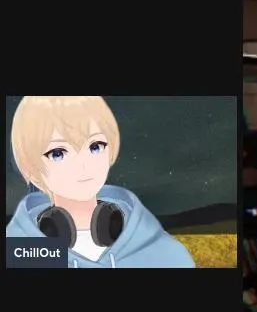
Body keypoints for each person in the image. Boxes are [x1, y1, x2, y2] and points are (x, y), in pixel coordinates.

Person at [6, 96, 196, 268]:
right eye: (58, 153)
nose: (84, 165)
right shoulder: (18, 251)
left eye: (95, 146)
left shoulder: (152, 245)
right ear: (29, 168)